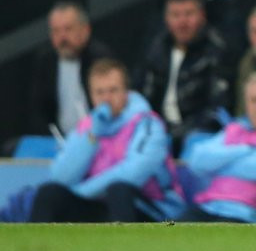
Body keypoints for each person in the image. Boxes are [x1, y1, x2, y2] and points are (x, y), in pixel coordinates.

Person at [30, 60, 184, 223]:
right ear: (91, 95)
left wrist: (83, 191)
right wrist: (92, 136)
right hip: (100, 204)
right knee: (49, 193)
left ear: (126, 92)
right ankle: (38, 240)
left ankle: (125, 240)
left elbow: (133, 173)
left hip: (151, 207)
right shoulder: (88, 126)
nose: (106, 98)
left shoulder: (148, 124)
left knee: (119, 191)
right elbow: (60, 177)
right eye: (99, 92)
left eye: (113, 90)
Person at [181, 71, 256, 223]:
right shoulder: (235, 128)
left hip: (249, 214)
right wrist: (246, 149)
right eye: (254, 100)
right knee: (167, 232)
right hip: (208, 207)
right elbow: (196, 160)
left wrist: (219, 165)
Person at [137, 0, 231, 149]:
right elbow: (145, 98)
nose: (182, 22)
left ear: (202, 16)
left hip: (200, 136)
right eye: (175, 15)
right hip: (160, 133)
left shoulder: (216, 51)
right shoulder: (157, 49)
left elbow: (217, 109)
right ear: (166, 19)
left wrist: (179, 135)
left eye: (189, 14)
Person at [29, 1, 112, 135]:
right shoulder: (45, 61)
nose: (62, 37)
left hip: (99, 136)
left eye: (68, 29)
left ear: (85, 30)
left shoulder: (100, 58)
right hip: (59, 140)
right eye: (56, 31)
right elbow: (40, 110)